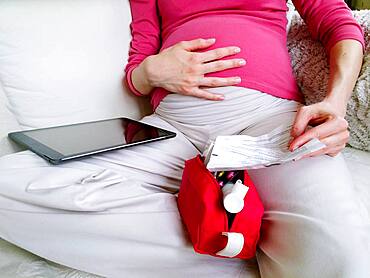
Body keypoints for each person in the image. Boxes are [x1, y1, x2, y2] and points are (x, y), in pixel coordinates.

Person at [0, 0, 369, 277]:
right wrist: (150, 70)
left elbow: (342, 26)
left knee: (341, 256)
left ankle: (232, 231)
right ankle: (234, 245)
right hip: (173, 129)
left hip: (269, 120)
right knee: (9, 183)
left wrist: (333, 104)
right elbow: (137, 71)